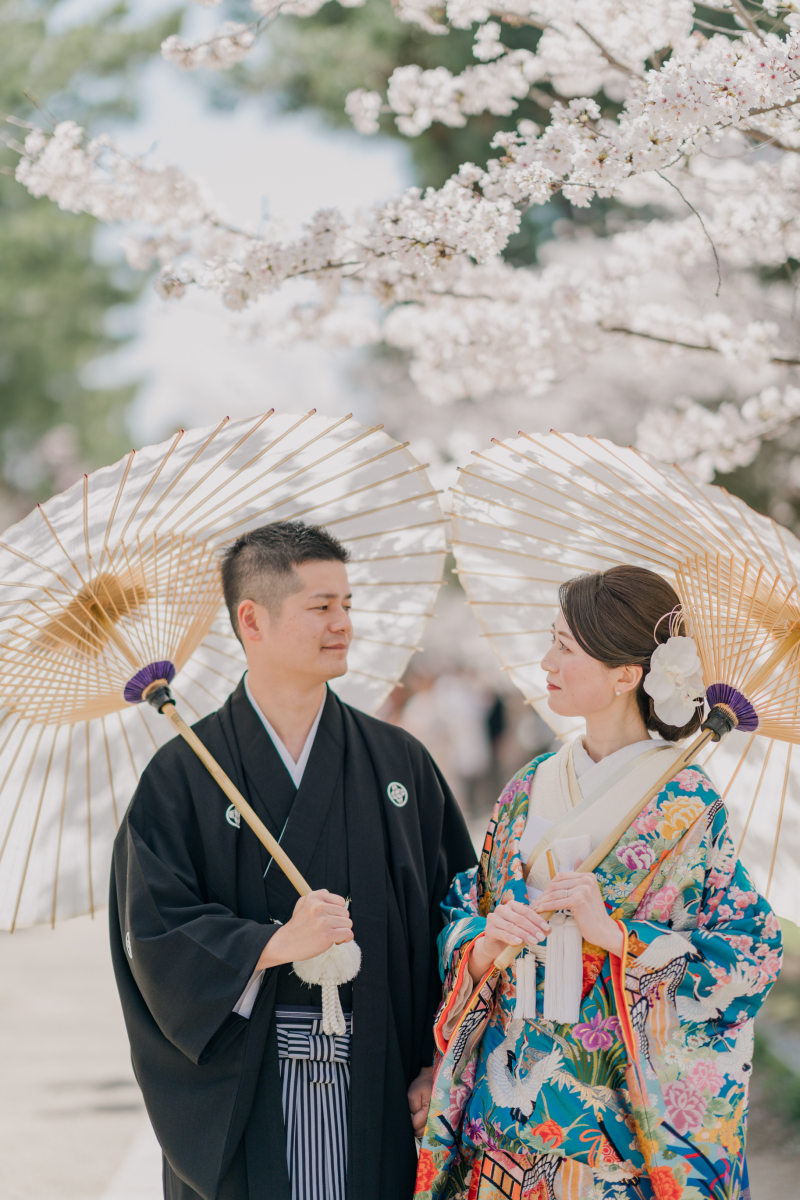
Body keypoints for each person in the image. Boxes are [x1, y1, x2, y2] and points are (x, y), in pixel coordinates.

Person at [109, 520, 476, 1200]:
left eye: (347, 605)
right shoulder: (183, 777)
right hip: (251, 1093)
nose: (342, 624)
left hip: (382, 1078)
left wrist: (440, 1063)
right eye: (321, 607)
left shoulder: (398, 766)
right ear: (253, 618)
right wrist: (273, 944)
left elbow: (459, 922)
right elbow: (154, 936)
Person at [415, 566, 782, 1200]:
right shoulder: (529, 785)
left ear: (626, 675)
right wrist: (482, 939)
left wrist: (615, 935)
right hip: (507, 1112)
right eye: (551, 639)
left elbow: (751, 957)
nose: (546, 660)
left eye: (566, 646)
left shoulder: (687, 806)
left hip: (614, 1121)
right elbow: (461, 908)